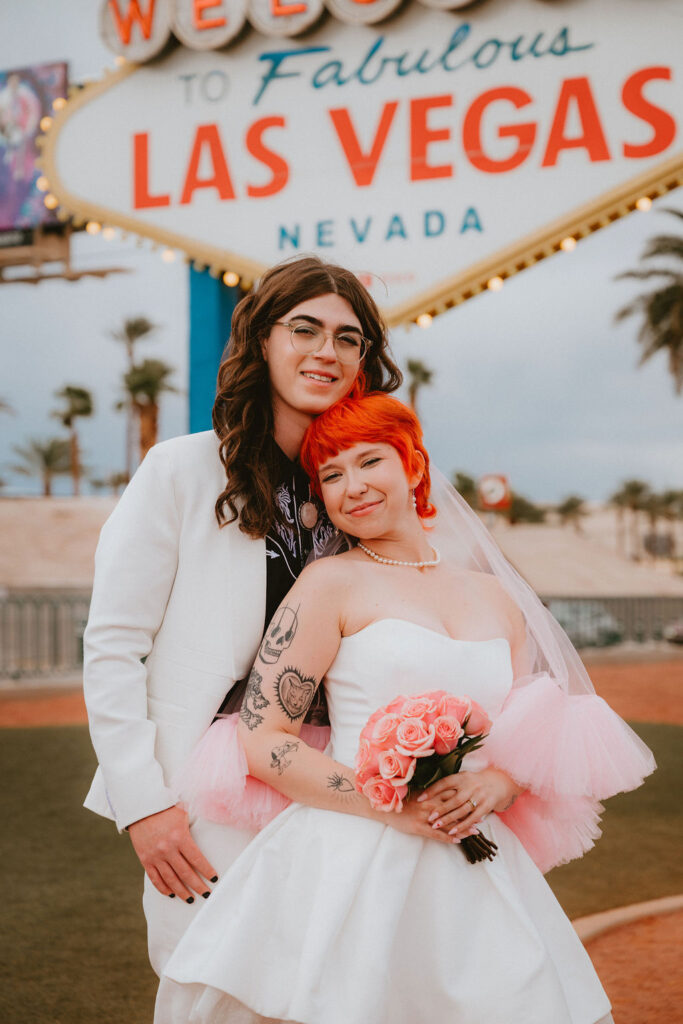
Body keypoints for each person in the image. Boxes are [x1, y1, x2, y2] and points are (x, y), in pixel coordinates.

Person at [156, 393, 655, 1024]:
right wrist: (389, 805)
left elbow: (529, 728)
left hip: (473, 858)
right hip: (350, 853)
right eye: (331, 475)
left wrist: (498, 783)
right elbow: (263, 738)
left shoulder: (495, 596)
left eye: (370, 462)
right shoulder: (329, 584)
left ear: (414, 466)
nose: (352, 486)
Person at [82, 256, 406, 977]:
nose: (327, 351)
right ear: (262, 339)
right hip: (206, 792)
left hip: (344, 782)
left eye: (348, 338)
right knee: (212, 988)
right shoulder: (181, 471)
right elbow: (111, 648)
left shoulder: (366, 492)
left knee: (337, 989)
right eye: (305, 329)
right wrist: (145, 805)